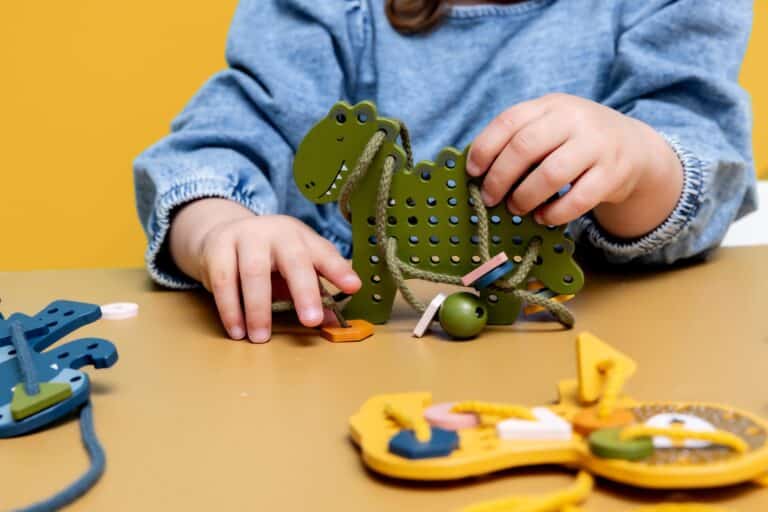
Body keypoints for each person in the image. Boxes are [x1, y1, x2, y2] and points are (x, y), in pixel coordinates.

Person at [134, 0, 756, 343]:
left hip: (576, 355)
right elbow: (219, 145)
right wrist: (221, 232)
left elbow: (699, 159)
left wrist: (639, 162)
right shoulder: (324, 11)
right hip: (331, 383)